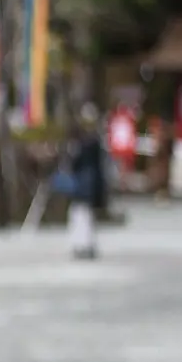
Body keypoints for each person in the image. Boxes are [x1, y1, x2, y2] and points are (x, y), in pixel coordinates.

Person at [67, 102, 108, 259]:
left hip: (83, 185)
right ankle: (85, 244)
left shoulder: (84, 144)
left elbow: (74, 163)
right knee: (85, 215)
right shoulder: (96, 142)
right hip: (91, 184)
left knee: (80, 214)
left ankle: (82, 244)